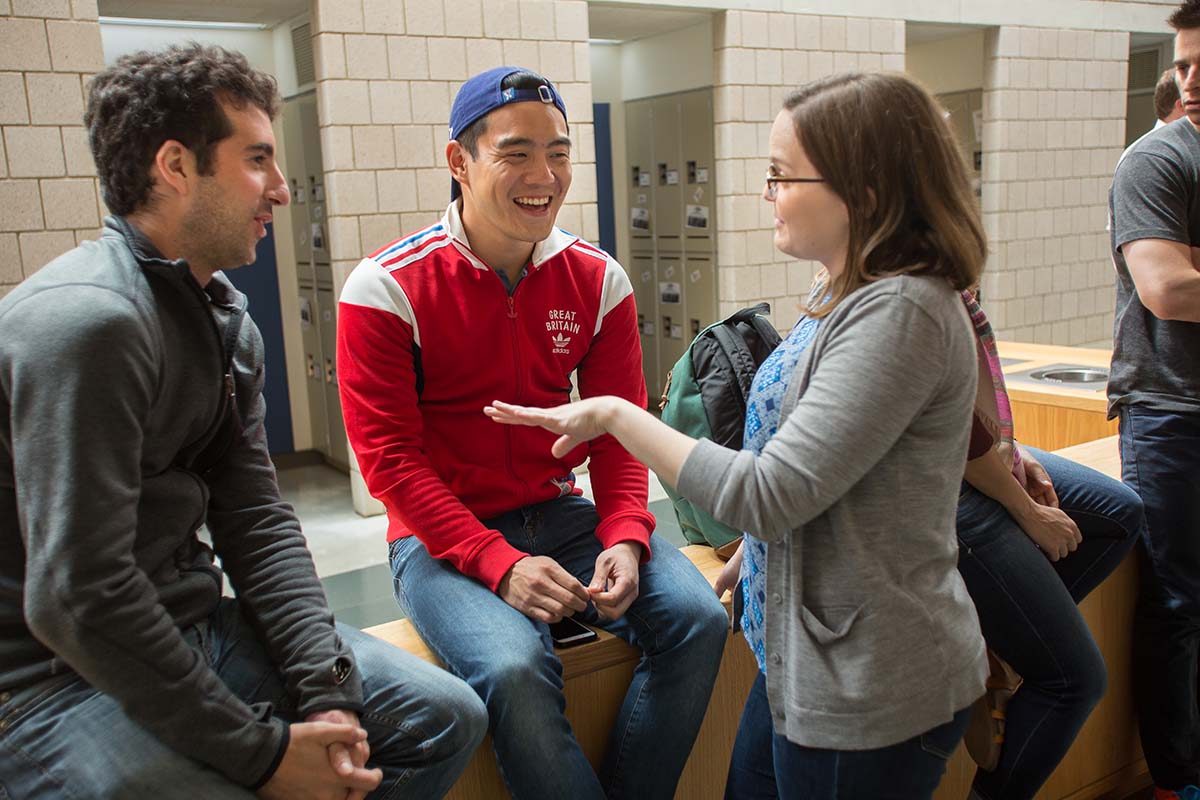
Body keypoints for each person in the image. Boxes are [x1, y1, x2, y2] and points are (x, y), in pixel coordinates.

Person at [0, 44, 486, 800]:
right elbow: (76, 598)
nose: (283, 190)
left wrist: (326, 691)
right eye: (257, 160)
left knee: (440, 717)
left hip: (194, 627)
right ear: (175, 166)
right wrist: (260, 754)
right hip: (49, 679)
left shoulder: (224, 319)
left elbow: (256, 520)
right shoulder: (86, 325)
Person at [486, 71, 989, 800]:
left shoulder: (902, 313)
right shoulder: (845, 296)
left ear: (866, 190)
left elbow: (770, 490)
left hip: (871, 687)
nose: (769, 193)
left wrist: (616, 415)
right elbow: (828, 465)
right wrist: (761, 553)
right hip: (806, 655)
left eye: (784, 176)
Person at [336, 66, 728, 800]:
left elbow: (617, 432)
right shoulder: (386, 288)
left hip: (560, 513)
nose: (543, 176)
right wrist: (495, 560)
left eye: (558, 152)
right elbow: (388, 462)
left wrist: (623, 533)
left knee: (698, 619)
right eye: (515, 153)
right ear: (460, 162)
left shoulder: (597, 279)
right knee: (514, 666)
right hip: (436, 536)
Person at [953, 291, 1142, 800]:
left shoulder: (934, 256)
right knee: (1075, 679)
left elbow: (976, 398)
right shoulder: (900, 269)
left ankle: (997, 645)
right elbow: (951, 424)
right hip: (944, 482)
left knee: (1120, 513)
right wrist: (1026, 508)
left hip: (976, 452)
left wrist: (1016, 452)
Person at [1109, 2, 1200, 797]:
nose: (1190, 81)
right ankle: (1177, 781)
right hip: (1172, 412)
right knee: (1179, 604)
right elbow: (1169, 289)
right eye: (1183, 64)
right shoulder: (1157, 162)